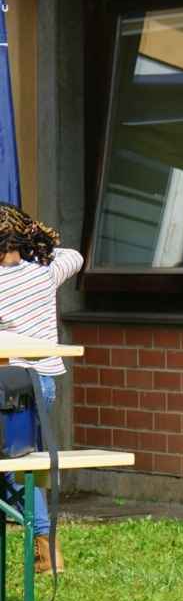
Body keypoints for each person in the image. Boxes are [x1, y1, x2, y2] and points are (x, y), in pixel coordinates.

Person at [0, 206, 84, 575]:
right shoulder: (45, 273)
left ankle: (45, 545)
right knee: (25, 465)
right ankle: (46, 549)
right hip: (44, 384)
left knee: (12, 467)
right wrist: (40, 242)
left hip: (9, 387)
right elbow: (74, 256)